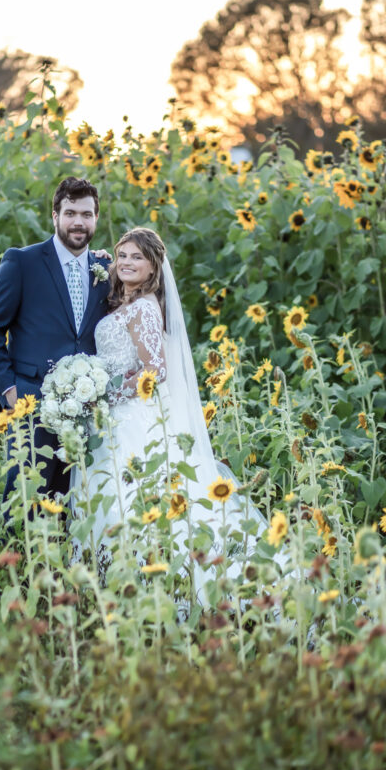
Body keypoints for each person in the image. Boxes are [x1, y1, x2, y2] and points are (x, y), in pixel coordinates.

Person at [79, 227, 273, 603]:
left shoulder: (145, 308)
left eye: (137, 257)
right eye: (123, 256)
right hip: (115, 417)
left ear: (154, 267)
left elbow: (156, 371)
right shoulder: (124, 304)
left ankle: (183, 587)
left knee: (139, 499)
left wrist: (106, 394)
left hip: (131, 416)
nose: (127, 263)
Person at [0, 177, 111, 501]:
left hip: (87, 412)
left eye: (87, 214)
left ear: (96, 218)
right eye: (70, 213)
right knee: (24, 504)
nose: (78, 222)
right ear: (55, 215)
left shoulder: (105, 269)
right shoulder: (22, 262)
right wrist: (9, 391)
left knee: (76, 507)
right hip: (29, 405)